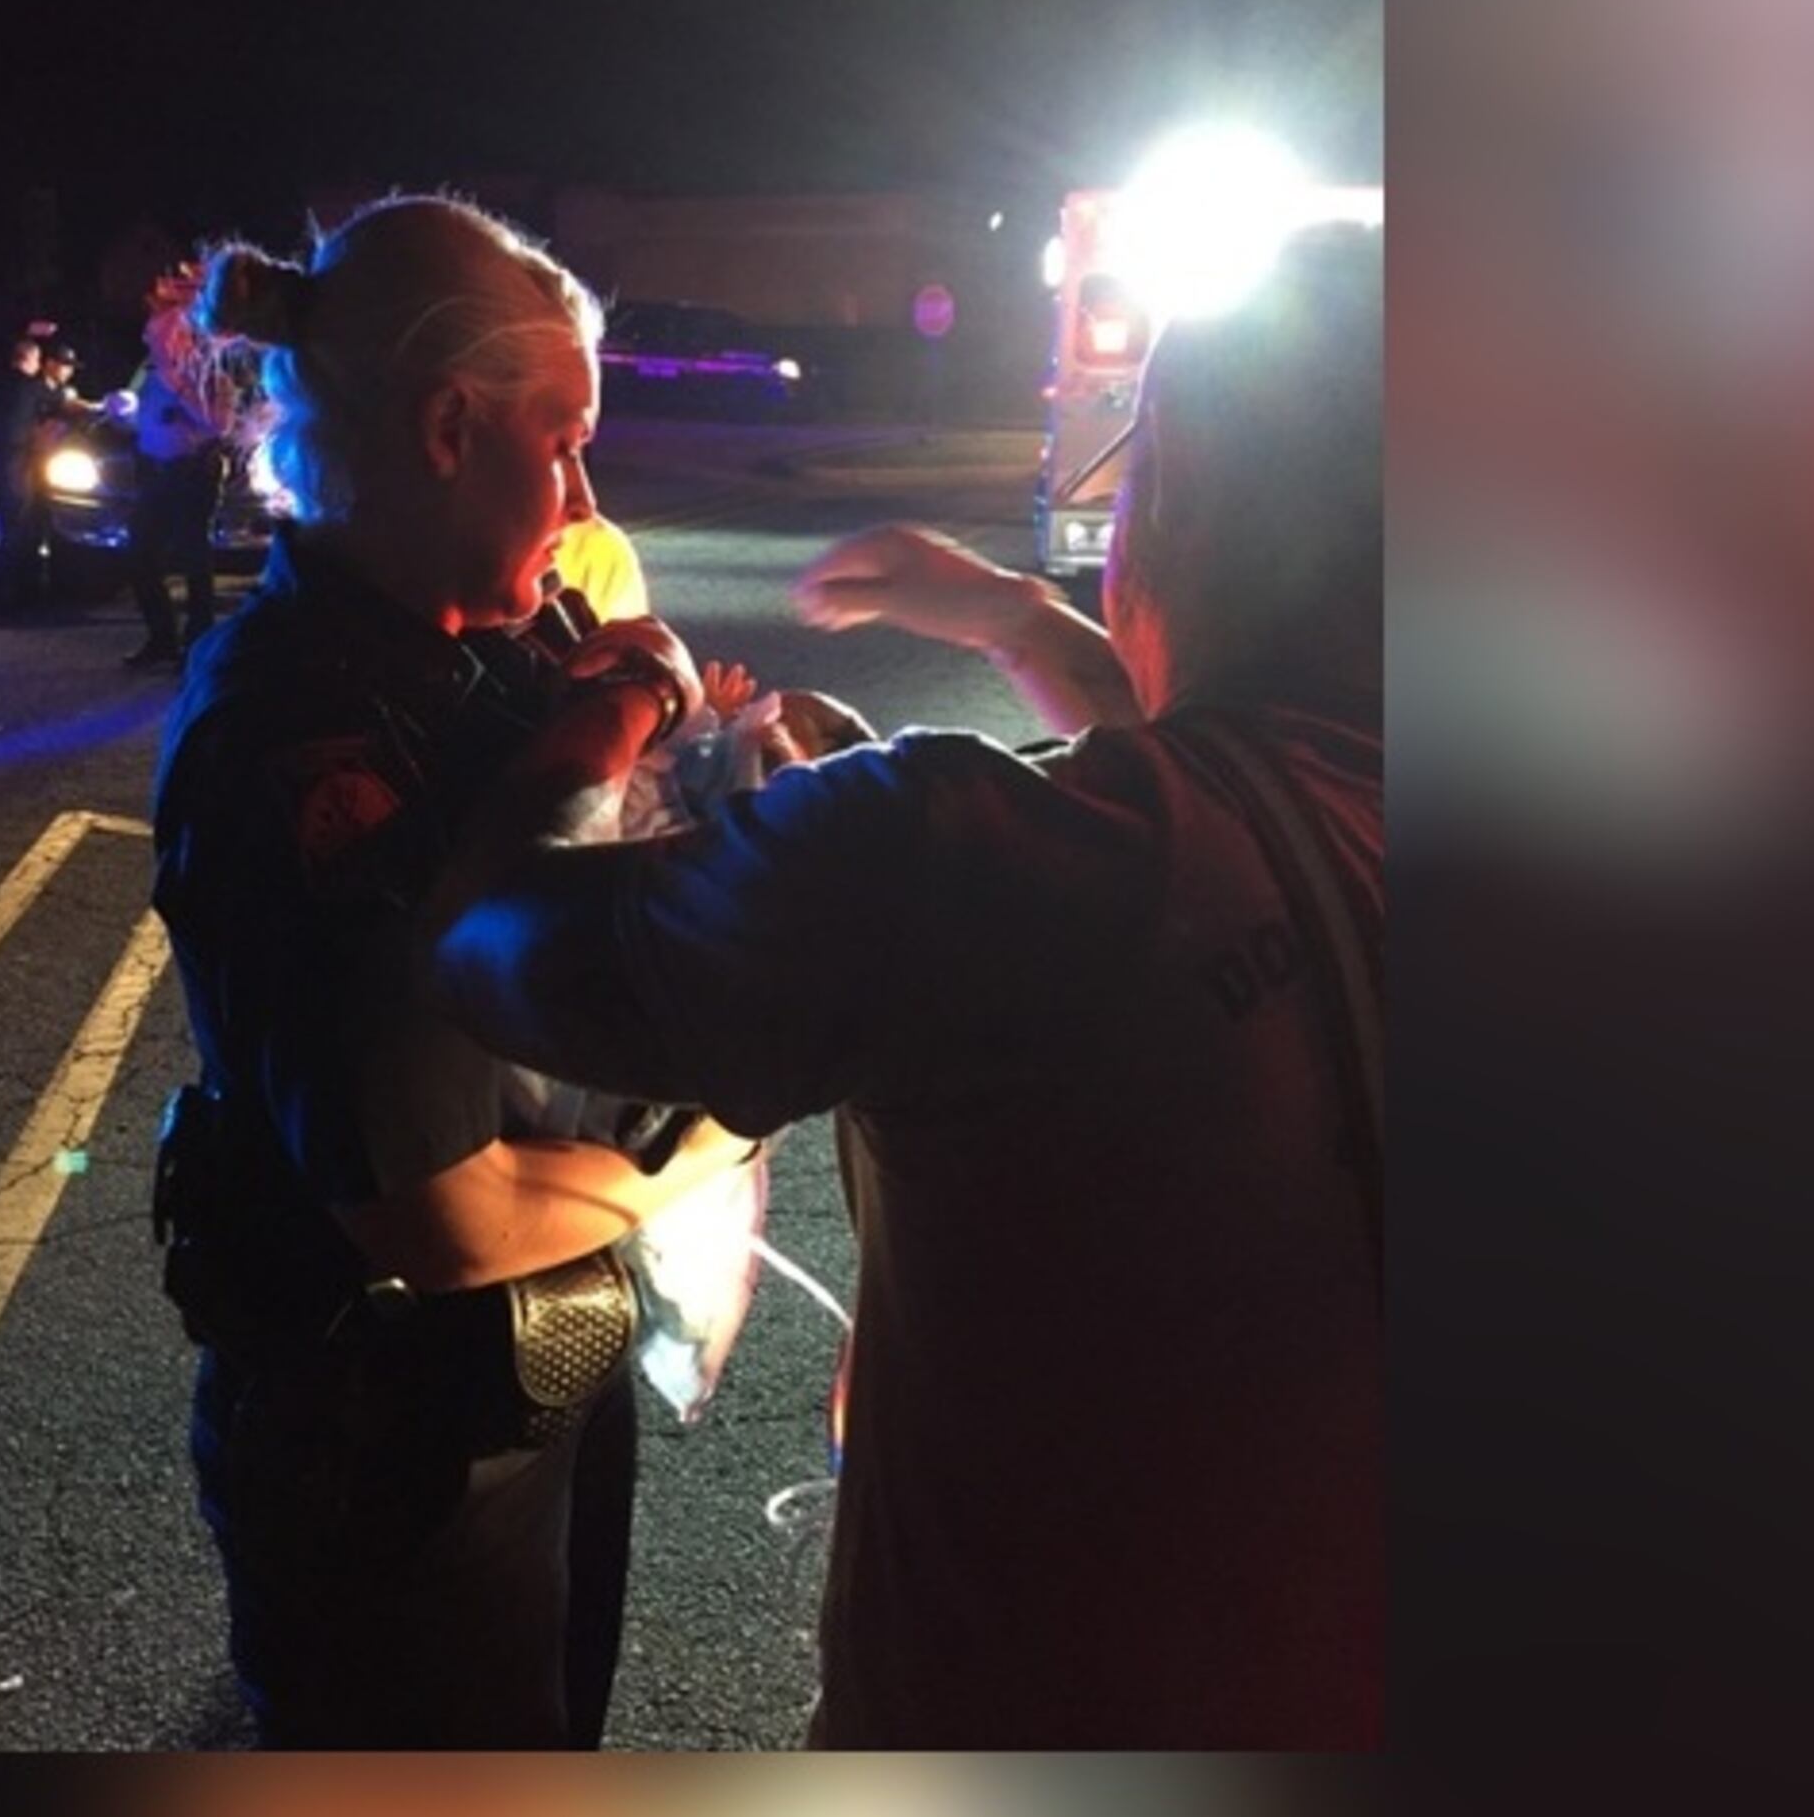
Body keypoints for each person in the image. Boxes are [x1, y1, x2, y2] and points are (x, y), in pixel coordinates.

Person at [420, 223, 1388, 1748]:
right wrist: (1015, 618)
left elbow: (493, 940)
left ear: (1172, 511)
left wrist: (622, 696)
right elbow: (1244, 773)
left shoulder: (957, 858)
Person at [145, 193, 762, 1749]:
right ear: (442, 429)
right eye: (559, 441)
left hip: (530, 1398)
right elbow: (443, 1208)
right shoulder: (295, 736)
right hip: (389, 1457)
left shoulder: (471, 647)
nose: (580, 488)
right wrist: (699, 1153)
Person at [125, 266, 241, 671]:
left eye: (161, 330)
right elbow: (147, 415)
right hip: (155, 469)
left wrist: (184, 399)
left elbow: (221, 423)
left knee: (194, 556)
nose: (153, 336)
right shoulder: (156, 374)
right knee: (140, 554)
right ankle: (161, 638)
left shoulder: (205, 371)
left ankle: (198, 641)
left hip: (192, 470)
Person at [0, 325, 74, 615]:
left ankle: (10, 588)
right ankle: (0, 591)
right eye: (37, 360)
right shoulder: (29, 387)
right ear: (30, 360)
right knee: (19, 527)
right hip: (16, 462)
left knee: (13, 524)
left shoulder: (1, 383)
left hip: (0, 459)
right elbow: (66, 404)